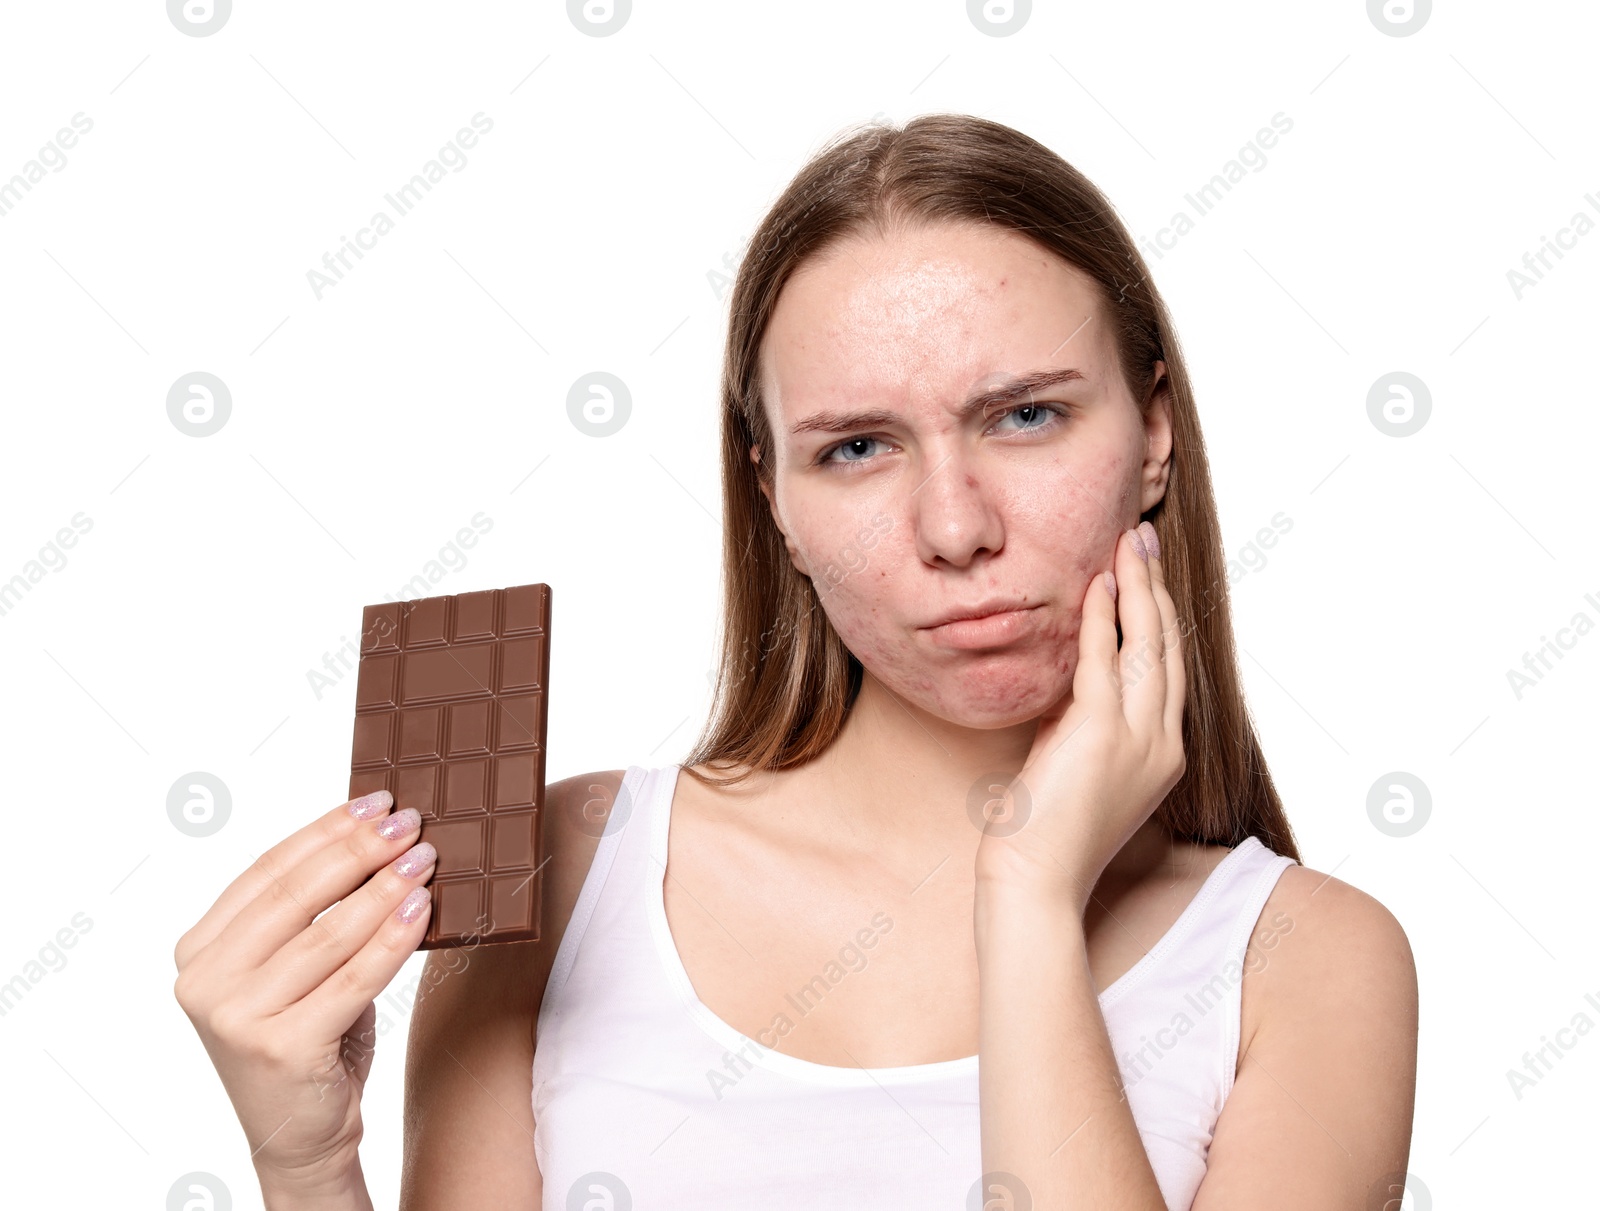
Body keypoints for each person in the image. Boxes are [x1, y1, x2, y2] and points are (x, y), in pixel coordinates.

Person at [173, 114, 1418, 1210]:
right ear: (770, 491)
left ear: (1151, 434)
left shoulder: (1303, 960)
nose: (954, 527)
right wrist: (308, 1172)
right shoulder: (563, 871)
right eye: (859, 447)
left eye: (1026, 414)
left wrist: (1031, 894)